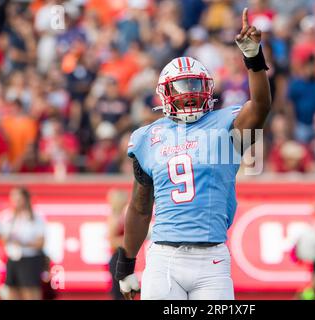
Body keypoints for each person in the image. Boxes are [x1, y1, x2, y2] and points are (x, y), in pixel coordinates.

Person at [115, 8, 271, 300]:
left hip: (212, 258)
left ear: (208, 88)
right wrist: (126, 262)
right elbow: (139, 207)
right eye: (181, 86)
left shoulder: (226, 126)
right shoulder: (148, 137)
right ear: (165, 93)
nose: (188, 93)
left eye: (195, 85)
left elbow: (261, 106)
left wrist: (253, 57)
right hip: (163, 257)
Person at [0, 187, 46, 300]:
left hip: (30, 259)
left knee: (30, 293)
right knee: (12, 292)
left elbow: (40, 243)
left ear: (25, 199)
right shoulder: (8, 216)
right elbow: (2, 238)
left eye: (18, 197)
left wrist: (21, 242)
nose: (15, 201)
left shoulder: (36, 217)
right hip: (13, 258)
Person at [106, 189, 128, 300]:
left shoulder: (121, 217)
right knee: (119, 294)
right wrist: (128, 240)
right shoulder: (114, 219)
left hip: (123, 258)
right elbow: (112, 241)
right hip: (117, 259)